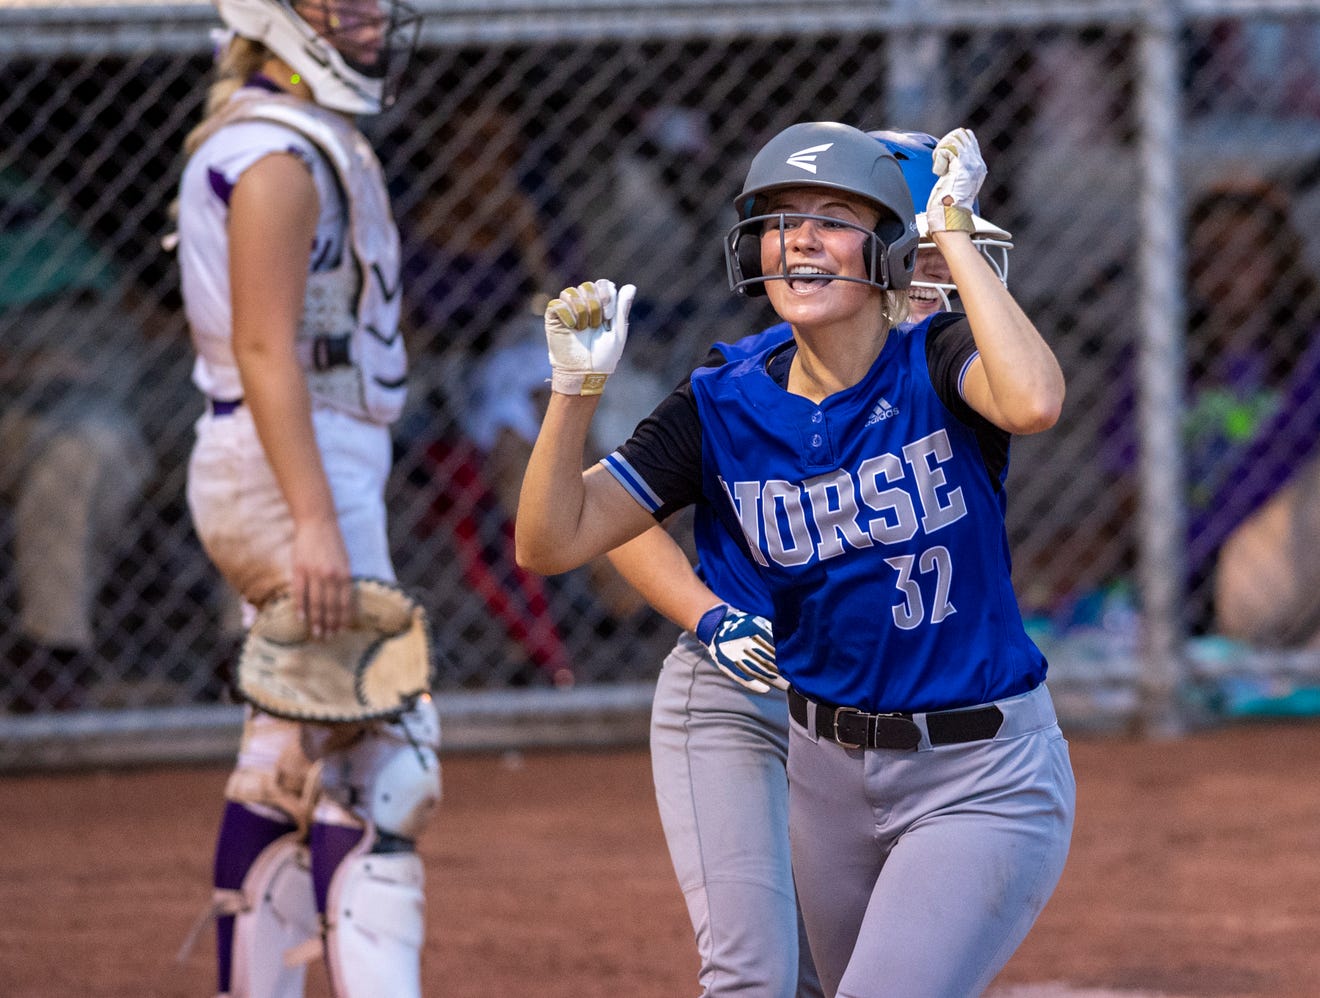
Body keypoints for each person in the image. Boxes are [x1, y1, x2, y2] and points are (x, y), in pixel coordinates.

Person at [516, 122, 1075, 997]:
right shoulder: (724, 397)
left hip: (979, 770)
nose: (800, 237)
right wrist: (573, 395)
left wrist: (954, 233)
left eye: (834, 217)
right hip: (823, 766)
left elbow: (1035, 400)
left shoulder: (936, 360)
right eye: (782, 220)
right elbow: (552, 540)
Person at [172, 1, 440, 996]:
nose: (370, 11)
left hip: (291, 457)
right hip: (295, 467)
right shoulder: (276, 150)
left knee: (287, 760)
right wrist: (316, 520)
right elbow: (261, 349)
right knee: (389, 757)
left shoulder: (297, 130)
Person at [0, 164, 154, 713]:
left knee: (252, 425)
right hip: (26, 370)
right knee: (87, 446)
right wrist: (18, 364)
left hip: (116, 337)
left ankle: (252, 650)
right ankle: (53, 653)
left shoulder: (27, 177)